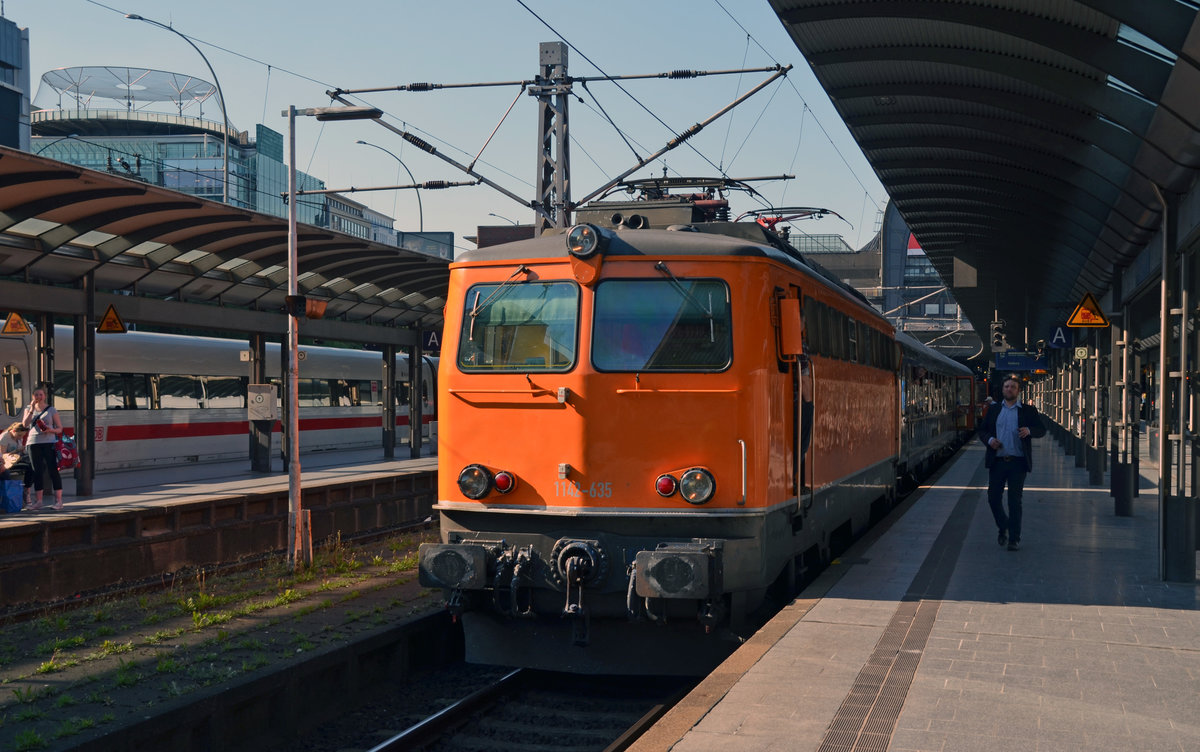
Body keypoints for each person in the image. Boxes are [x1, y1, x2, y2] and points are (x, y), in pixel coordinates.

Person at [978, 376, 1046, 550]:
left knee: (1014, 501)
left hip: (1018, 462)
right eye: (1006, 386)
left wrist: (1029, 430)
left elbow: (1041, 430)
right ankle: (1004, 525)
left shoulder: (1028, 411)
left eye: (1013, 387)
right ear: (1002, 390)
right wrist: (990, 440)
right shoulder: (993, 410)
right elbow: (983, 431)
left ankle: (1014, 539)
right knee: (993, 498)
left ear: (1018, 391)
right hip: (998, 461)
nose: (1009, 389)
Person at [21, 386, 65, 511]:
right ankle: (39, 501)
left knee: (52, 470)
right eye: (36, 395)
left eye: (40, 394)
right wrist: (31, 409)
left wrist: (50, 430)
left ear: (44, 396)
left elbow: (60, 428)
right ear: (33, 397)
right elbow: (24, 424)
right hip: (33, 443)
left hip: (48, 442)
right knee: (37, 471)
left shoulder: (51, 410)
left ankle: (58, 501)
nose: (38, 397)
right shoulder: (28, 409)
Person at [1, 422, 34, 508]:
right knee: (27, 467)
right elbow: (3, 455)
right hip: (8, 462)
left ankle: (27, 490)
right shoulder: (4, 438)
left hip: (17, 459)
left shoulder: (19, 438)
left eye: (22, 436)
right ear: (13, 431)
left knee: (32, 467)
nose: (21, 437)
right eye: (19, 435)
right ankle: (25, 494)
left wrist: (23, 450)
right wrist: (16, 451)